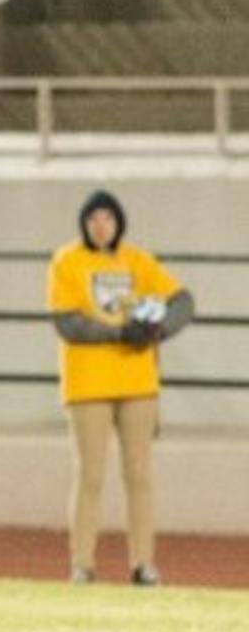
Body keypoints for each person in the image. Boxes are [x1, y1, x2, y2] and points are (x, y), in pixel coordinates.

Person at [46, 190, 193, 586]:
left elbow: (181, 300)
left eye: (107, 218)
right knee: (90, 474)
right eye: (93, 218)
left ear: (118, 223)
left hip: (137, 382)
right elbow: (68, 322)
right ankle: (82, 563)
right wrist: (119, 332)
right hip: (88, 383)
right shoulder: (67, 261)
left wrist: (157, 328)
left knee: (139, 475)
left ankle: (143, 563)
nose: (100, 225)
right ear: (84, 224)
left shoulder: (138, 261)